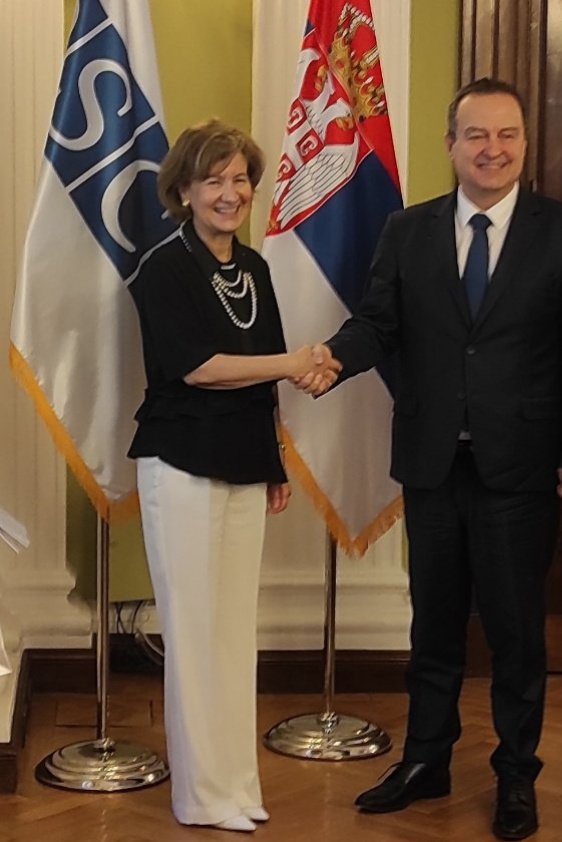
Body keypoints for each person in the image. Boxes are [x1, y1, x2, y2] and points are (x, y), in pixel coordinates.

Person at [303, 78, 562, 840]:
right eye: (476, 135)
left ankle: (516, 775)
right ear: (451, 146)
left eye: (506, 135)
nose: (492, 149)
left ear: (525, 145)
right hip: (433, 463)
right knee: (434, 625)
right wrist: (330, 360)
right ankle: (426, 760)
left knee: (515, 632)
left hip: (522, 469)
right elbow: (377, 324)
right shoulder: (407, 231)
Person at [127, 119, 338, 833]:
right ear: (184, 191)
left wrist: (272, 460)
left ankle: (237, 786)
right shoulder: (163, 268)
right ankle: (200, 796)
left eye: (240, 178)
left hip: (245, 462)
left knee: (232, 630)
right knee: (193, 631)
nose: (229, 193)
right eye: (212, 180)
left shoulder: (254, 268)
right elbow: (199, 368)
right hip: (179, 461)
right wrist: (295, 361)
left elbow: (261, 382)